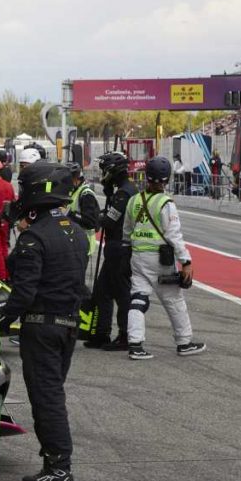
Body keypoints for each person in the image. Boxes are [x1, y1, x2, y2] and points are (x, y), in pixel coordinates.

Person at [2, 161, 89, 481]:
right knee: (53, 393)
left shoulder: (33, 237)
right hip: (68, 326)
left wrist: (1, 320)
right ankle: (56, 462)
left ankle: (59, 467)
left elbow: (23, 291)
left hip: (42, 328)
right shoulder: (77, 232)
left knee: (46, 398)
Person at [123, 156, 205, 360]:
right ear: (167, 179)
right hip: (161, 260)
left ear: (146, 176)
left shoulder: (134, 200)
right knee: (174, 300)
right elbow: (174, 235)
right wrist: (186, 261)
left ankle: (135, 344)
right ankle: (184, 342)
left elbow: (126, 232)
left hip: (138, 257)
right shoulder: (166, 203)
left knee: (138, 298)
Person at [88, 152, 137, 350]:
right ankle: (102, 333)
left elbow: (109, 220)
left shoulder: (125, 193)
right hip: (115, 248)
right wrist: (108, 194)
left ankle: (126, 335)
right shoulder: (123, 190)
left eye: (104, 171)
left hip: (120, 248)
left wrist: (93, 217)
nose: (103, 174)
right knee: (102, 291)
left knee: (122, 293)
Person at [67, 162, 100, 261]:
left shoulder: (86, 194)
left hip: (84, 244)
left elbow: (90, 222)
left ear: (76, 178)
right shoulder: (72, 190)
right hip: (73, 243)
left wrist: (70, 213)